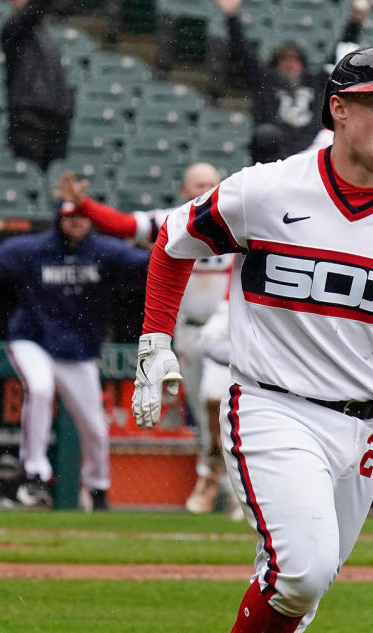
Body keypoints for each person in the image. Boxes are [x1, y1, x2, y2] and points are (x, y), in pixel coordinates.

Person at [130, 47, 373, 633]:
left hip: (365, 428)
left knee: (301, 595)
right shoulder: (268, 189)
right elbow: (173, 242)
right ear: (339, 108)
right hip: (273, 405)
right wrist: (154, 343)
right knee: (302, 571)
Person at [57, 164, 244, 520]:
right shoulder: (175, 219)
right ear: (184, 189)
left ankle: (214, 481)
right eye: (198, 184)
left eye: (211, 183)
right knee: (205, 418)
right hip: (188, 330)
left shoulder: (237, 217)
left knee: (218, 402)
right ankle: (226, 487)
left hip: (229, 326)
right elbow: (126, 226)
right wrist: (84, 206)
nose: (205, 189)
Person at [0, 203, 151, 511]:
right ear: (59, 219)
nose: (76, 223)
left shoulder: (104, 250)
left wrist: (175, 247)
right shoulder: (35, 248)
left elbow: (148, 264)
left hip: (78, 349)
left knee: (95, 427)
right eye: (70, 217)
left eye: (82, 217)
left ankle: (97, 489)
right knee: (41, 389)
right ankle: (33, 474)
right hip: (33, 339)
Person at [215, 0, 368, 163]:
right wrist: (231, 17)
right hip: (275, 154)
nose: (290, 64)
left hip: (311, 149)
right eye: (284, 60)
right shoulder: (265, 81)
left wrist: (355, 21)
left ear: (303, 64)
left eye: (295, 60)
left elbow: (339, 57)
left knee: (333, 136)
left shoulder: (316, 82)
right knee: (266, 134)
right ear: (275, 64)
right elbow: (242, 53)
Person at [0, 0, 75, 172]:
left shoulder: (43, 35)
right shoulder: (11, 28)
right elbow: (33, 10)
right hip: (29, 119)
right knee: (30, 176)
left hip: (54, 120)